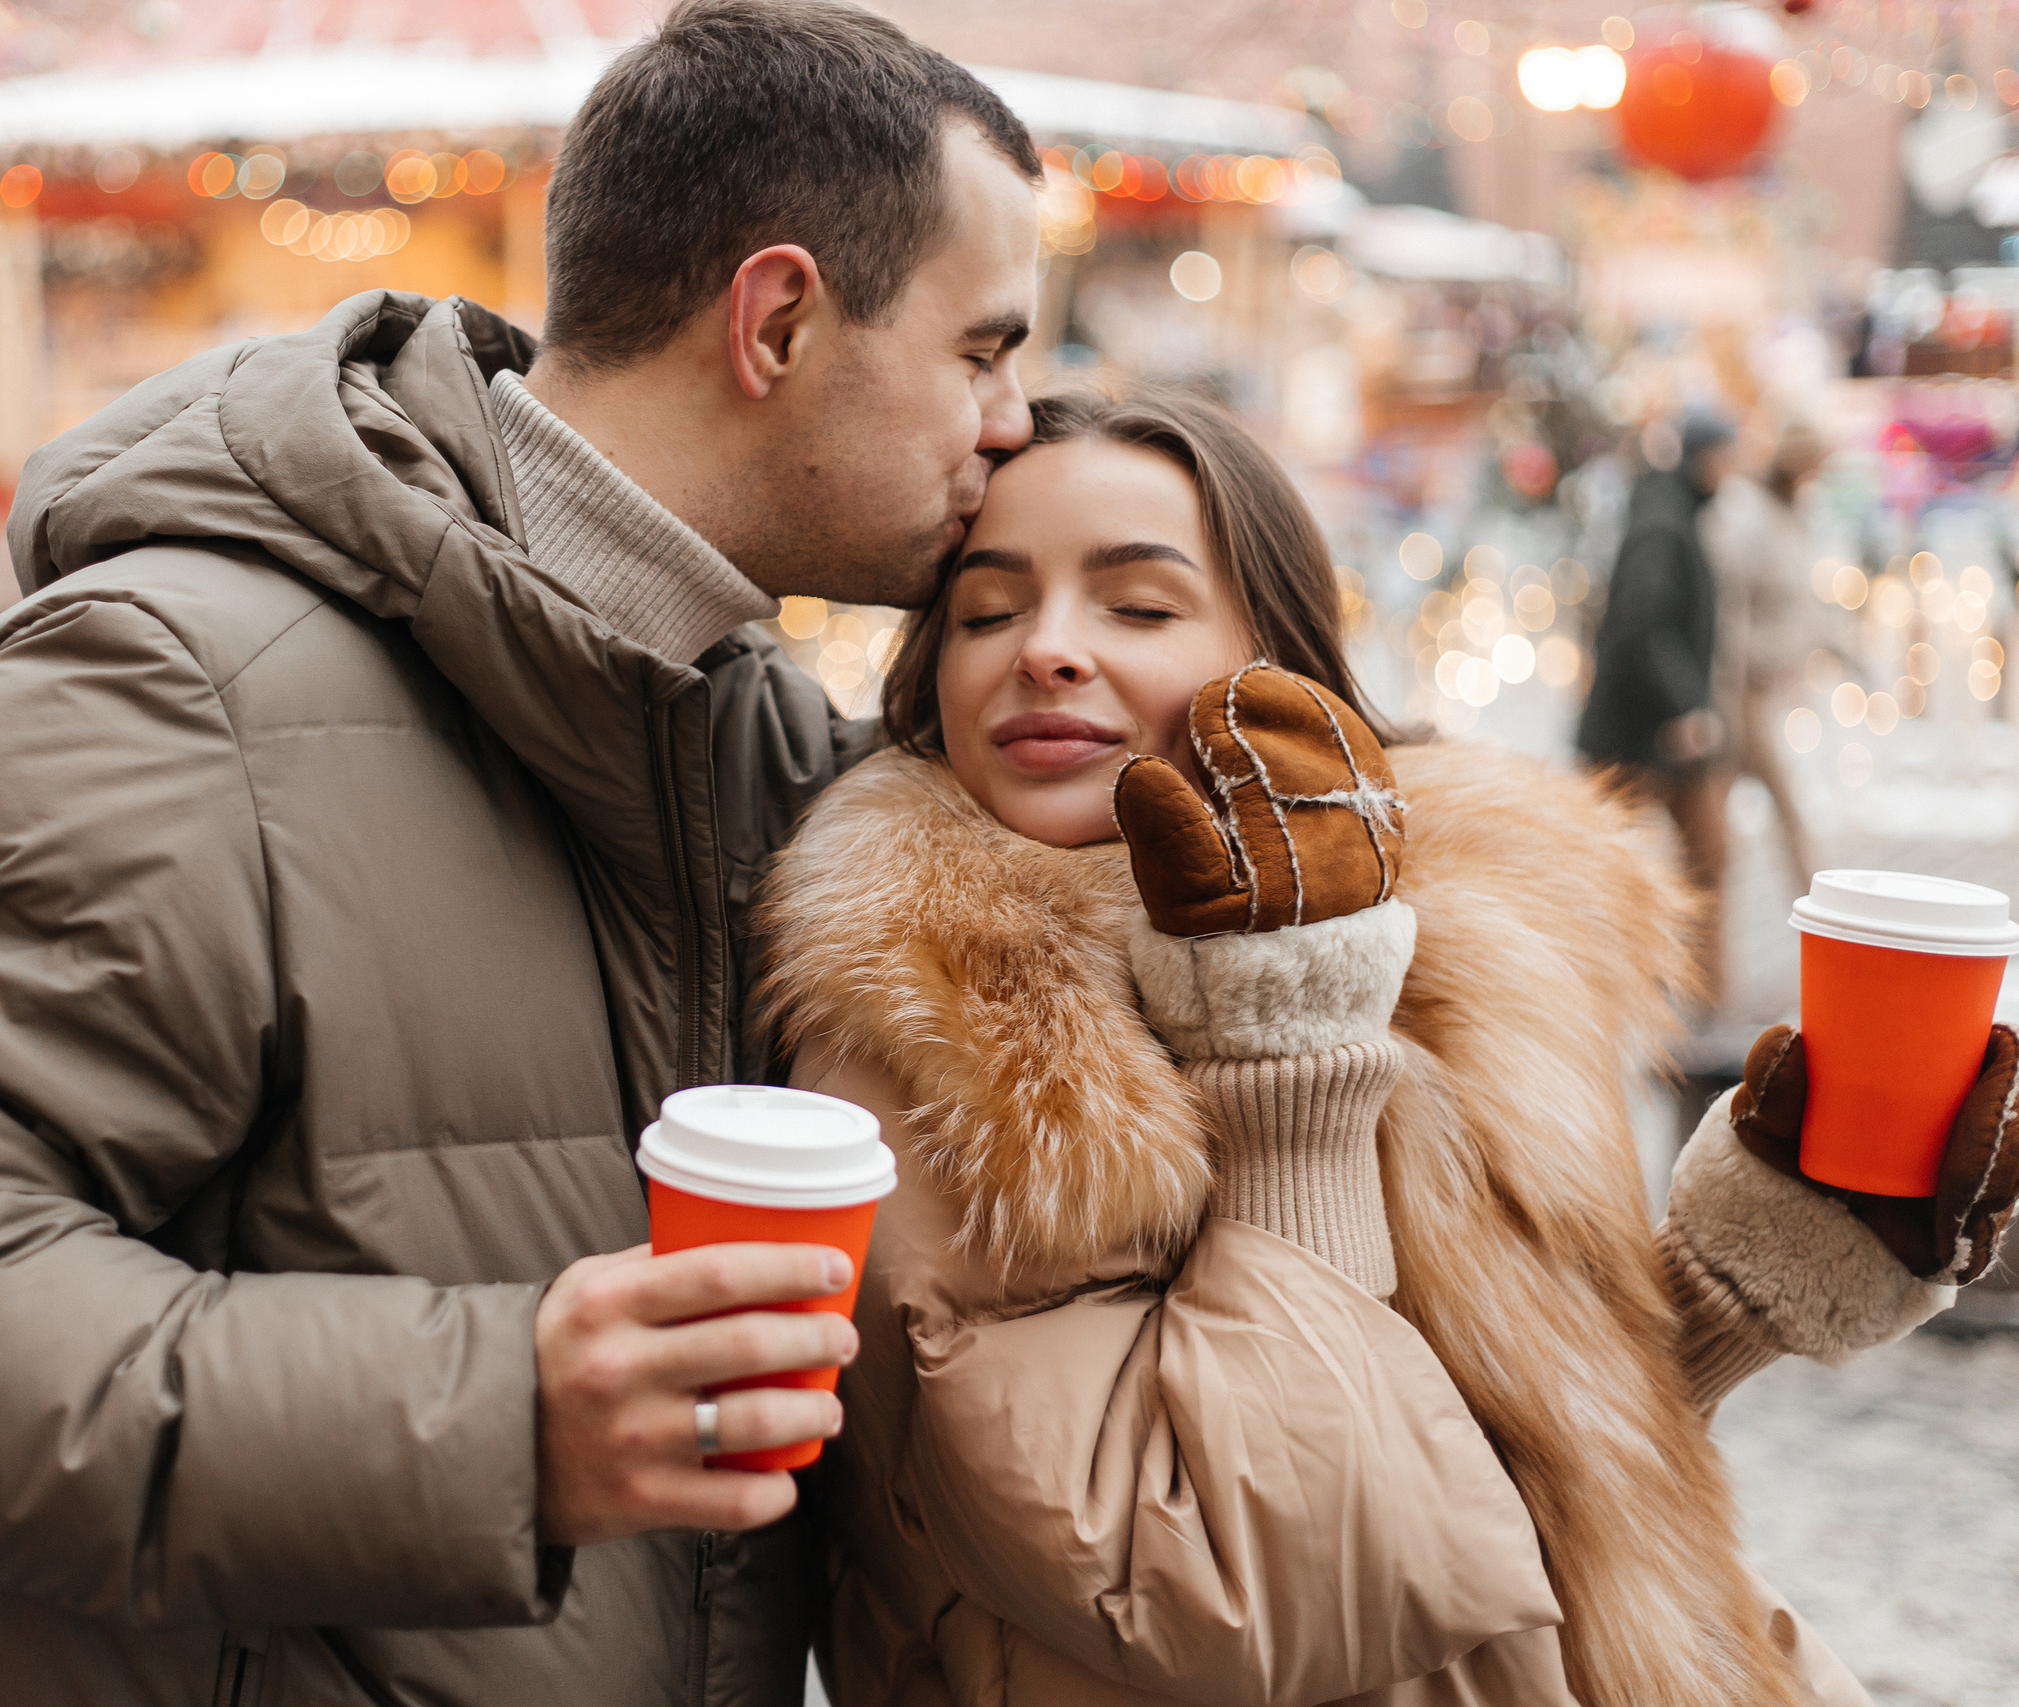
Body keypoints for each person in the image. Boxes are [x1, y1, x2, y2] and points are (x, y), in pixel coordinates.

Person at [0, 5, 1043, 1703]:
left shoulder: (735, 731)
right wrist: (498, 1420)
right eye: (984, 350)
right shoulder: (184, 683)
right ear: (775, 320)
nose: (1015, 419)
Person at [754, 391, 2018, 1705]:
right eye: (986, 613)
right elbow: (1259, 1584)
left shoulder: (1431, 947)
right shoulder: (959, 1037)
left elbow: (1489, 1475)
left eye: (1136, 606)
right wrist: (1285, 1074)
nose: (1047, 650)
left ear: (1278, 663)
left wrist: (1739, 1286)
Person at [1578, 409, 1739, 1009]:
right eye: (1728, 452)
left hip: (1651, 730)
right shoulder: (1664, 523)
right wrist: (1686, 706)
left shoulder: (1670, 512)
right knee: (1636, 866)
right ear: (1706, 456)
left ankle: (1701, 997)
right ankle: (1655, 994)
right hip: (1643, 732)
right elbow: (1642, 624)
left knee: (1699, 859)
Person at [1704, 416, 1828, 897]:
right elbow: (1731, 610)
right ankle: (1815, 906)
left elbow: (1801, 601)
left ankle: (1712, 908)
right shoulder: (1750, 517)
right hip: (1743, 691)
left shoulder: (1791, 513)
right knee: (1784, 806)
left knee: (1716, 814)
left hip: (1767, 686)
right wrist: (1727, 689)